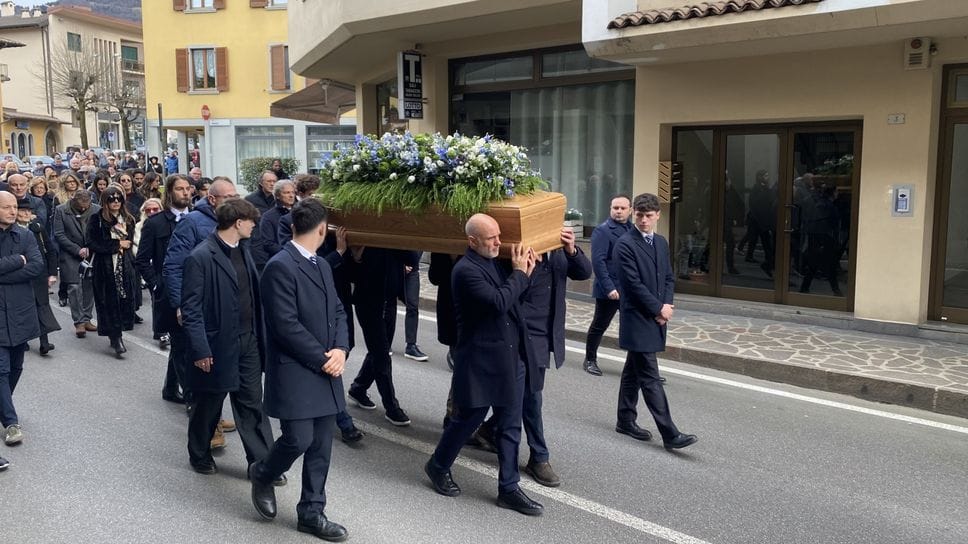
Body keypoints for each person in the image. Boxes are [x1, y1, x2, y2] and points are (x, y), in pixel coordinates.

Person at [424, 213, 544, 516]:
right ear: (472, 241)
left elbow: (514, 299)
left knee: (509, 425)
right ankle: (437, 465)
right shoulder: (465, 271)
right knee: (467, 420)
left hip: (509, 357)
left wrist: (526, 272)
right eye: (491, 238)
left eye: (499, 236)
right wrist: (519, 274)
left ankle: (509, 488)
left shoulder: (494, 261)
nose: (498, 242)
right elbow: (497, 302)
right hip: (480, 360)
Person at [250, 198, 350, 541]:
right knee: (298, 439)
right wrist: (324, 358)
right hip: (297, 368)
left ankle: (311, 512)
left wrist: (341, 348)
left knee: (322, 444)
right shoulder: (281, 266)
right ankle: (263, 473)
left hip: (326, 366)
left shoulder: (320, 264)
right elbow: (285, 326)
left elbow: (338, 310)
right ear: (322, 230)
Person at [476, 227, 592, 487]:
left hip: (546, 334)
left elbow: (584, 272)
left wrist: (572, 250)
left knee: (527, 393)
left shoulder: (561, 248)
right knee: (532, 397)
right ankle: (539, 457)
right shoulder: (519, 247)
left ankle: (487, 429)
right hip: (522, 334)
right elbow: (508, 289)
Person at [181, 199, 277, 477]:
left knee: (251, 401)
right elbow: (191, 308)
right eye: (251, 221)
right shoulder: (200, 257)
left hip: (248, 340)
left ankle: (261, 462)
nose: (254, 226)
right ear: (238, 223)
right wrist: (200, 350)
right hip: (216, 344)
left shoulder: (244, 250)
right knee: (209, 403)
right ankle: (199, 453)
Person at [613, 193, 697, 451]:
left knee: (632, 371)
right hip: (638, 317)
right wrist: (658, 308)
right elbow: (633, 285)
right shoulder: (625, 244)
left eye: (649, 215)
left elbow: (668, 277)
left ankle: (625, 419)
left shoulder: (660, 242)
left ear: (658, 215)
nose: (644, 220)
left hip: (657, 314)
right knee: (649, 376)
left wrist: (667, 305)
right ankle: (670, 433)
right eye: (639, 215)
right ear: (633, 214)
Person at [163, 178, 240, 446]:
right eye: (227, 197)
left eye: (235, 195)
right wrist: (180, 304)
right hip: (201, 306)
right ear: (212, 200)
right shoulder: (193, 223)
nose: (232, 200)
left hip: (227, 309)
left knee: (224, 368)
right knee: (204, 369)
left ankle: (214, 417)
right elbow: (173, 266)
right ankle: (209, 425)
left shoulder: (236, 224)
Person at [347, 246, 411, 426]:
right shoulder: (366, 237)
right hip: (367, 300)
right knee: (381, 354)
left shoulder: (394, 239)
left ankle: (358, 388)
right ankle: (391, 407)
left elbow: (412, 258)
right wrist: (356, 258)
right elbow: (350, 272)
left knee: (378, 350)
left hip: (389, 301)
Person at [0, 191, 45, 449]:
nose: (13, 211)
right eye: (7, 207)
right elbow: (25, 264)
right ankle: (11, 422)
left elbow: (36, 266)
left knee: (16, 366)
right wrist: (17, 260)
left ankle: (4, 407)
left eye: (15, 206)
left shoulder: (26, 235)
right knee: (1, 369)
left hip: (20, 310)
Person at [583, 195, 632, 376]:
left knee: (634, 327)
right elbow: (599, 262)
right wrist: (609, 287)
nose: (618, 211)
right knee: (600, 324)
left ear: (630, 210)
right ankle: (590, 359)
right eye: (615, 208)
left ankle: (641, 367)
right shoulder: (603, 230)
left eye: (622, 208)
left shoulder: (632, 229)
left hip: (629, 288)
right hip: (610, 289)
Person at [87, 185, 138, 358]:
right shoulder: (97, 219)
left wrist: (128, 248)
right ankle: (116, 337)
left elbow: (132, 241)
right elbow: (92, 243)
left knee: (124, 300)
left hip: (125, 265)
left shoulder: (128, 219)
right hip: (105, 267)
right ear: (105, 201)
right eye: (111, 199)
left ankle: (118, 332)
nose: (115, 202)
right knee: (108, 302)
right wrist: (116, 245)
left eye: (118, 199)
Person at [53, 190, 99, 338]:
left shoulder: (97, 209)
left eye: (87, 206)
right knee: (74, 286)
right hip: (70, 253)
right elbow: (59, 234)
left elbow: (100, 230)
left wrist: (91, 247)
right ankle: (78, 321)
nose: (84, 209)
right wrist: (77, 250)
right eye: (81, 207)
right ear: (74, 201)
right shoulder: (61, 210)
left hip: (91, 252)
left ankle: (86, 318)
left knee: (89, 286)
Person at [16, 202, 59, 355]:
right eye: (22, 211)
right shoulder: (9, 230)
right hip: (18, 274)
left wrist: (52, 273)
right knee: (22, 307)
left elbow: (50, 249)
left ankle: (44, 343)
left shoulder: (37, 227)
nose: (26, 214)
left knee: (42, 306)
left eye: (28, 211)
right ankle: (23, 340)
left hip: (39, 273)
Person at [252, 179, 295, 269]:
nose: (291, 196)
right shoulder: (268, 216)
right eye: (287, 193)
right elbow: (268, 244)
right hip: (281, 262)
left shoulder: (300, 212)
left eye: (293, 192)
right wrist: (290, 253)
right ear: (278, 195)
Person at [399, 251, 428, 362]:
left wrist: (411, 262)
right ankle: (385, 341)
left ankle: (411, 345)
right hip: (394, 265)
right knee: (388, 303)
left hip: (413, 268)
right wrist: (401, 264)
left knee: (412, 307)